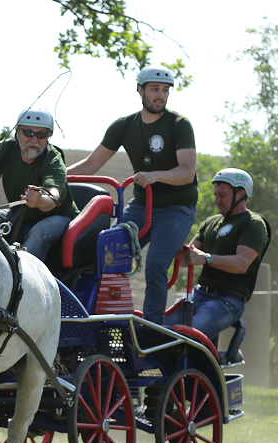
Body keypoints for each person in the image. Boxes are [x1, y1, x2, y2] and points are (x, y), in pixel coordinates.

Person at [67, 65, 197, 324]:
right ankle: (101, 318)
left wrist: (155, 175)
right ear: (140, 90)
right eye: (154, 89)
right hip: (142, 206)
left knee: (156, 264)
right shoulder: (124, 126)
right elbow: (91, 165)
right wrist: (53, 179)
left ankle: (151, 328)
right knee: (105, 252)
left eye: (165, 90)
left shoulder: (179, 125)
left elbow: (187, 172)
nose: (160, 95)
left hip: (176, 209)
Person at [164, 168, 271, 340]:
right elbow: (186, 259)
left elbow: (242, 264)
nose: (217, 201)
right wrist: (174, 245)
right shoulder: (211, 222)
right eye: (215, 195)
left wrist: (207, 258)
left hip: (228, 301)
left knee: (188, 338)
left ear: (241, 194)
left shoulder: (253, 224)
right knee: (159, 329)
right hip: (199, 294)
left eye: (222, 195)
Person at [0, 108, 76, 260]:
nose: (34, 140)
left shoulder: (53, 159)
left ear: (49, 136)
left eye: (41, 134)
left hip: (57, 218)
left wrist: (40, 200)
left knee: (40, 232)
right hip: (16, 215)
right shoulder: (5, 150)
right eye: (28, 133)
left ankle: (23, 274)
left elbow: (53, 195)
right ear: (17, 133)